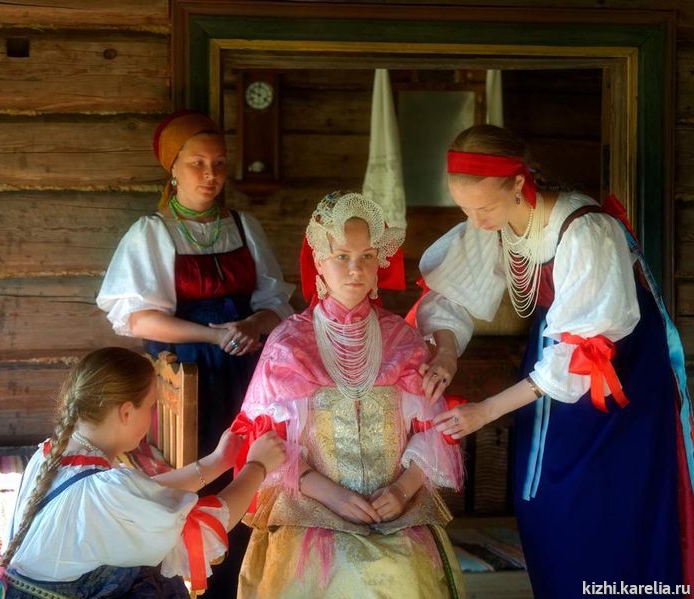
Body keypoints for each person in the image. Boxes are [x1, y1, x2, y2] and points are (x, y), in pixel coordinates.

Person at [415, 124, 694, 598]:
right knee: (542, 497)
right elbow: (451, 297)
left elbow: (583, 354)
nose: (476, 222)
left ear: (517, 184)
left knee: (604, 502)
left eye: (483, 209)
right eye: (465, 210)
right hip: (554, 361)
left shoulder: (586, 231)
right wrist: (445, 353)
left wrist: (485, 411)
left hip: (615, 372)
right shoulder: (498, 223)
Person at [235, 191, 465, 599]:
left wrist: (402, 490)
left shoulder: (404, 341)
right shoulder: (289, 344)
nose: (356, 268)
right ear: (318, 261)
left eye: (367, 257)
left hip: (395, 508)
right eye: (342, 256)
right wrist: (331, 495)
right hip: (310, 507)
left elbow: (434, 430)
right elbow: (264, 442)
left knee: (404, 576)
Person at [0, 347, 286, 599]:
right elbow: (197, 532)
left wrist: (217, 462)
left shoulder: (51, 454)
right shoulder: (106, 491)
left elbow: (142, 494)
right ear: (126, 412)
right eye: (151, 406)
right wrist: (256, 468)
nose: (152, 417)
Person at [96, 110, 294, 460]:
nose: (211, 174)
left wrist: (252, 325)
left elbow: (276, 302)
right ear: (173, 167)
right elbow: (139, 320)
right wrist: (215, 336)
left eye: (219, 163)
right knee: (202, 459)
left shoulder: (244, 226)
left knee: (259, 459)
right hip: (187, 372)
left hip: (252, 364)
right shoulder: (152, 232)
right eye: (197, 163)